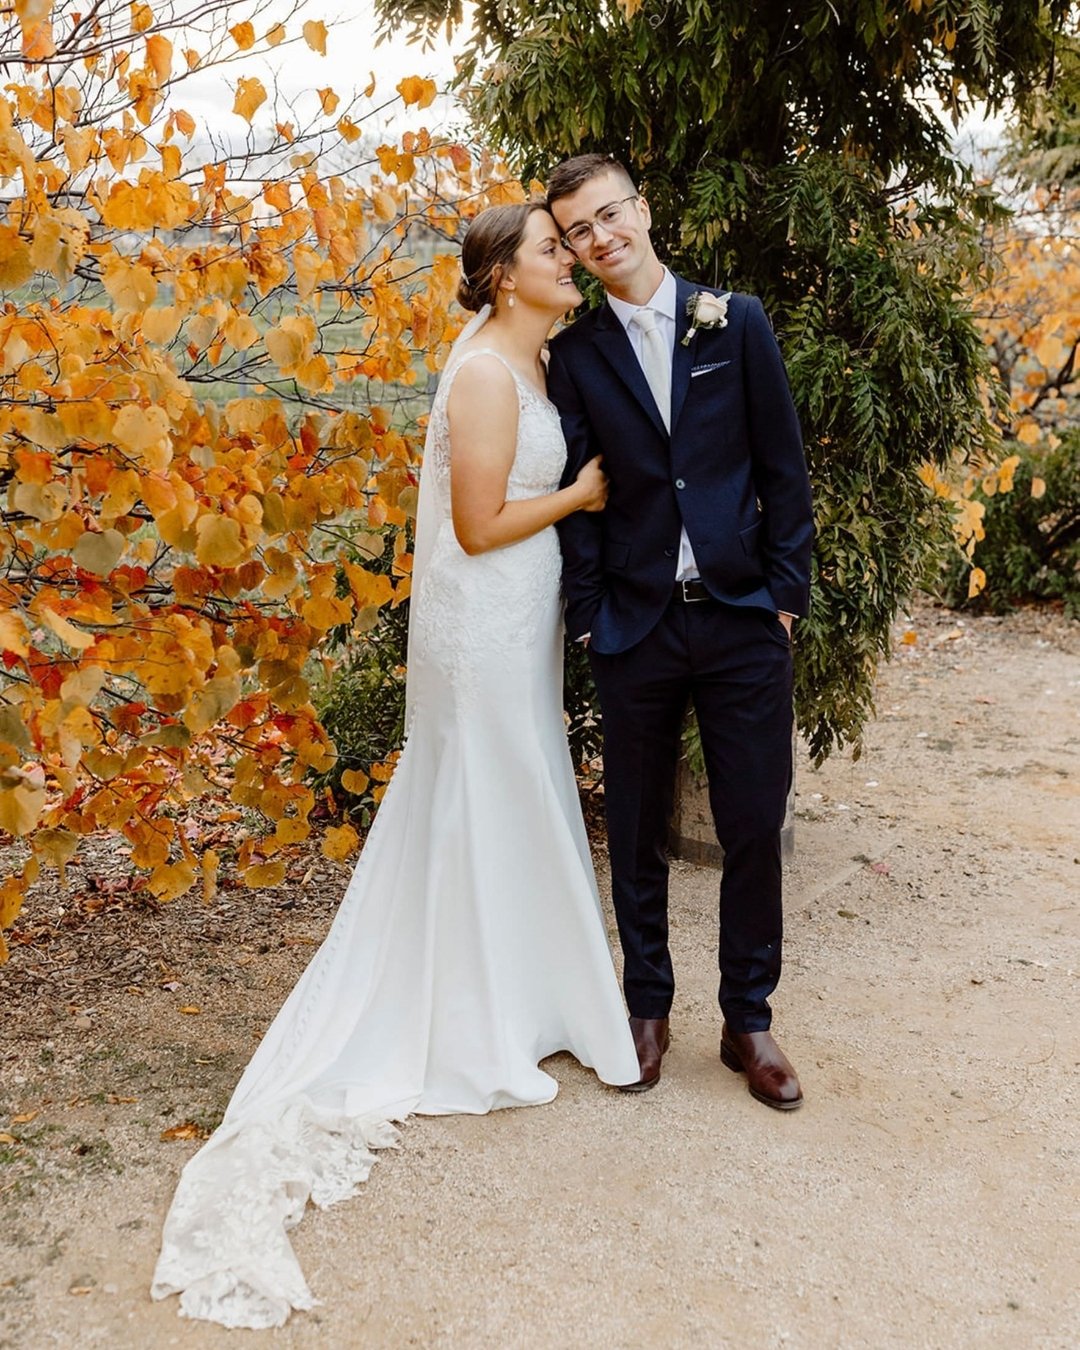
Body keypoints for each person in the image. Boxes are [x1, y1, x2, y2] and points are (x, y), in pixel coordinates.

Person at [151, 203, 639, 1329]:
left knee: (521, 789)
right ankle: (481, 1016)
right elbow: (473, 524)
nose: (569, 261)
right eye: (551, 252)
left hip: (520, 613)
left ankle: (523, 997)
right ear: (505, 278)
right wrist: (580, 495)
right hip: (486, 611)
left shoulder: (541, 354)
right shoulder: (480, 378)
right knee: (491, 786)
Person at [545, 154, 814, 1109]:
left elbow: (784, 470)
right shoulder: (575, 355)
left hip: (742, 617)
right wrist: (589, 621)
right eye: (579, 230)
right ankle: (646, 1008)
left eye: (609, 214)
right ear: (572, 250)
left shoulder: (733, 322)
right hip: (635, 623)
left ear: (642, 211)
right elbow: (581, 501)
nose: (600, 236)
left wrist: (783, 597)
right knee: (636, 824)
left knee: (750, 822)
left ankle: (750, 1019)